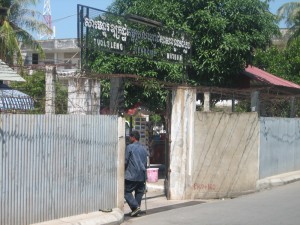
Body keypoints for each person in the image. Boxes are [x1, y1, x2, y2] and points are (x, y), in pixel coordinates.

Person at [125, 130, 148, 217]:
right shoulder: (143, 148)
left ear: (133, 138)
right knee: (139, 192)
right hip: (142, 175)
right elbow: (146, 162)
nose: (129, 138)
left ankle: (135, 207)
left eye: (130, 137)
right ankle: (136, 210)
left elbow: (125, 161)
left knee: (126, 192)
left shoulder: (129, 147)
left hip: (132, 175)